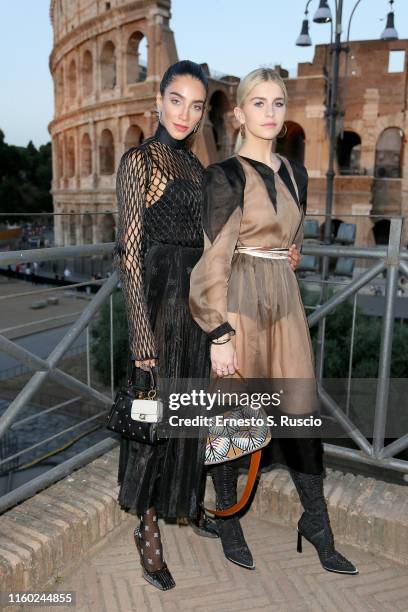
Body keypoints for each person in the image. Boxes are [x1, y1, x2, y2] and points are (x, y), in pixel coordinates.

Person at [189, 68, 358, 575]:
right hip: (238, 301)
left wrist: (290, 253)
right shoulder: (223, 176)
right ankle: (228, 516)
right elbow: (211, 259)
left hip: (283, 302)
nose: (269, 112)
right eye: (258, 103)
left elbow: (294, 239)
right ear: (239, 114)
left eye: (278, 103)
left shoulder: (296, 173)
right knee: (234, 415)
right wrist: (218, 332)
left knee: (299, 411)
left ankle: (317, 522)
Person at [114, 60, 213, 591]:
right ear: (159, 99)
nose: (185, 114)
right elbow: (129, 256)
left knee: (184, 413)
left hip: (193, 308)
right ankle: (147, 527)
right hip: (154, 305)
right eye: (177, 100)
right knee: (151, 422)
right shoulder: (139, 162)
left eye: (196, 105)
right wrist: (140, 333)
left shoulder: (197, 170)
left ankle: (182, 500)